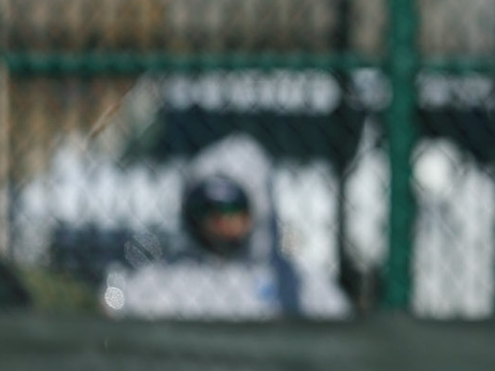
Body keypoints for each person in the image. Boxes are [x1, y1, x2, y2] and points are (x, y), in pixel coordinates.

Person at [102, 132, 350, 320]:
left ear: (260, 210)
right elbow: (114, 302)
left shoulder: (296, 286)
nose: (220, 220)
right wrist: (109, 295)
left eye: (233, 208)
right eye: (207, 208)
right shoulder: (168, 281)